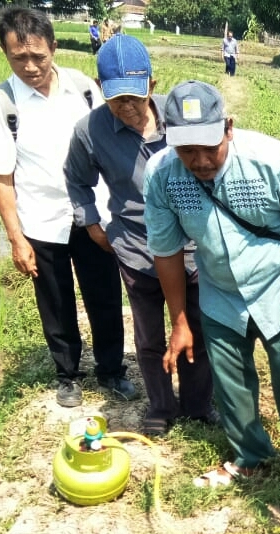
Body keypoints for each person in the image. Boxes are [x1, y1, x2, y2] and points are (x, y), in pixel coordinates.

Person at [143, 80, 280, 513]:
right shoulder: (162, 175)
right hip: (220, 292)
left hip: (279, 286)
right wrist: (180, 321)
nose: (200, 161)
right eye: (187, 150)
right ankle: (250, 456)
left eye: (209, 147)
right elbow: (167, 253)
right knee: (231, 385)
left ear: (228, 127)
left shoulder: (275, 162)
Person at [0, 6, 134, 408]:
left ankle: (112, 370)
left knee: (104, 295)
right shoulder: (2, 103)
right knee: (56, 302)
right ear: (5, 53)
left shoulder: (85, 89)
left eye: (38, 56)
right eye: (19, 58)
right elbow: (2, 176)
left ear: (53, 46)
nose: (30, 66)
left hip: (93, 215)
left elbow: (111, 147)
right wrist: (17, 238)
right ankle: (67, 374)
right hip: (41, 221)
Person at [64, 35, 216, 435]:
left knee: (199, 329)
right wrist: (92, 223)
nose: (127, 107)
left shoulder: (182, 116)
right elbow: (76, 180)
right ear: (101, 90)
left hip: (193, 249)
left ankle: (199, 404)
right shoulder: (90, 131)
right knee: (149, 336)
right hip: (137, 249)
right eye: (116, 99)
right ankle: (161, 408)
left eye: (134, 96)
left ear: (151, 84)